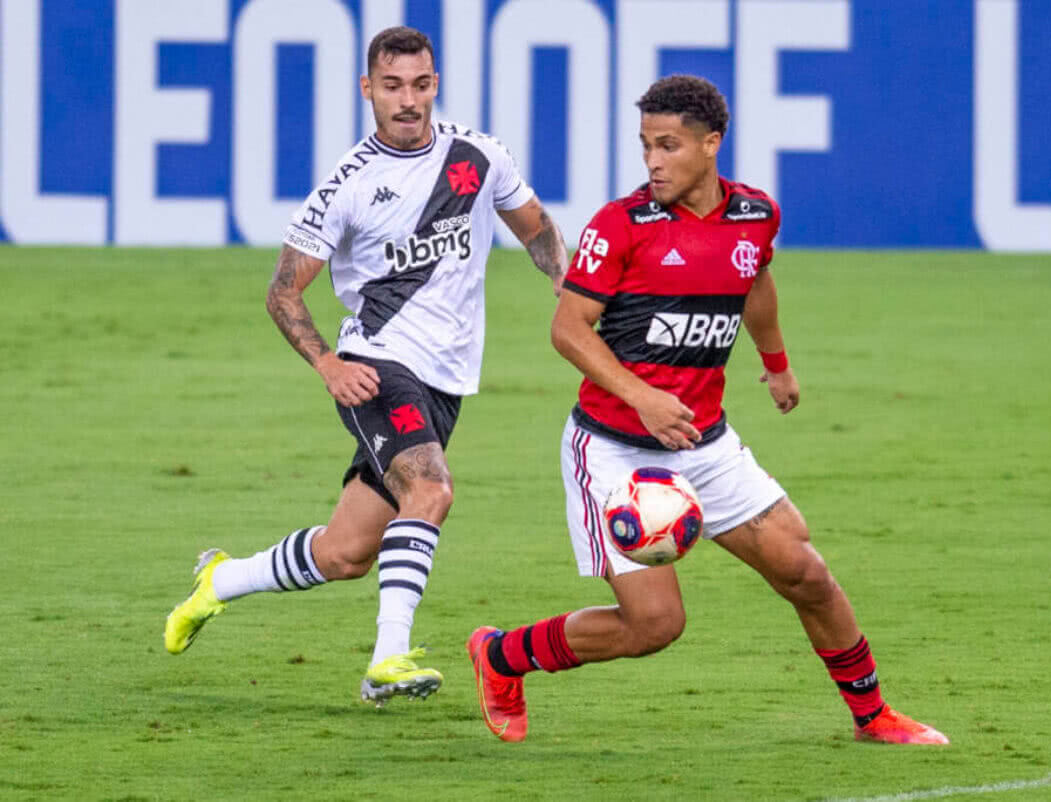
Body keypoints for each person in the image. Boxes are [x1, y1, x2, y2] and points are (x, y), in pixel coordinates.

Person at [466, 75, 948, 745]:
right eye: (645, 147)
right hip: (613, 447)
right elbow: (569, 330)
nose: (653, 162)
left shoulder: (754, 215)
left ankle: (873, 716)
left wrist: (776, 364)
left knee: (806, 572)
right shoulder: (621, 225)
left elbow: (754, 282)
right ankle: (500, 656)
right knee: (655, 627)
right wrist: (642, 396)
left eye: (668, 146)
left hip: (702, 443)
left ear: (711, 143)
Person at [164, 26, 568, 706]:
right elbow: (283, 291)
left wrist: (568, 283)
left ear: (434, 83)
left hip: (447, 379)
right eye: (392, 86)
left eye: (420, 84)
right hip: (377, 366)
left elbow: (537, 230)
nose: (407, 100)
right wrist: (327, 363)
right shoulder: (348, 185)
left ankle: (220, 582)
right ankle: (387, 660)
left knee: (346, 553)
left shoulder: (478, 155)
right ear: (367, 89)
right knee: (431, 491)